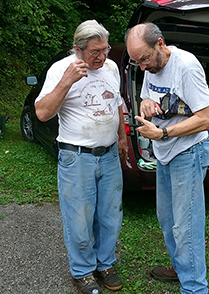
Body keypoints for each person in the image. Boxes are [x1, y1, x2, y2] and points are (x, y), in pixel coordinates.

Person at [35, 20, 127, 294]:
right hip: (77, 158)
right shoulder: (60, 70)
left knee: (111, 216)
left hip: (109, 155)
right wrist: (66, 81)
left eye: (105, 49)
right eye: (94, 52)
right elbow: (42, 113)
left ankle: (104, 265)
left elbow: (117, 103)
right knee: (79, 219)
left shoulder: (110, 67)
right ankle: (82, 272)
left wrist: (122, 137)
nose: (102, 57)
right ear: (78, 49)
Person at [125, 23, 209, 294]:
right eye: (136, 62)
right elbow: (145, 99)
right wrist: (147, 105)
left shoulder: (186, 66)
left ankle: (195, 288)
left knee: (186, 226)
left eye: (145, 59)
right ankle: (180, 268)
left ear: (160, 44)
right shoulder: (150, 67)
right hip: (164, 156)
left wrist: (162, 133)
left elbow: (206, 119)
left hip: (188, 153)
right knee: (167, 220)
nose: (142, 67)